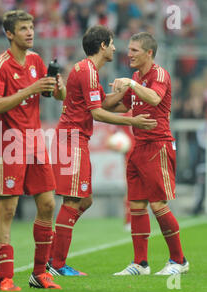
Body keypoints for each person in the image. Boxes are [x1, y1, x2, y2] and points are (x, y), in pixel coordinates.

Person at [48, 25, 157, 277]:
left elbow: (103, 102)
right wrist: (133, 120)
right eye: (112, 43)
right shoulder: (86, 71)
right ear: (103, 46)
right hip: (71, 139)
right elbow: (97, 113)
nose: (117, 48)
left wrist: (127, 92)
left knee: (84, 200)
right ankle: (56, 263)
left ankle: (52, 256)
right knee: (73, 201)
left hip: (77, 139)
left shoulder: (89, 71)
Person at [0, 10, 66, 291]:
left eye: (31, 27)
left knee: (48, 204)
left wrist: (58, 87)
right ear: (9, 34)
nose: (30, 33)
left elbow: (53, 95)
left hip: (35, 140)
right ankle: (5, 278)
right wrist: (29, 89)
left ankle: (39, 273)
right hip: (10, 143)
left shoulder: (35, 60)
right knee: (8, 209)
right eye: (23, 29)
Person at [108, 32, 189, 275]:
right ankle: (140, 263)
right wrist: (92, 98)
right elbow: (126, 106)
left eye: (134, 50)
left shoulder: (159, 74)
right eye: (129, 49)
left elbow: (154, 98)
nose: (129, 54)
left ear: (149, 53)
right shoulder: (135, 76)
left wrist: (131, 85)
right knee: (136, 205)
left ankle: (179, 261)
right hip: (139, 146)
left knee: (158, 204)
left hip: (158, 145)